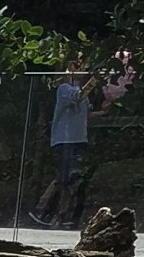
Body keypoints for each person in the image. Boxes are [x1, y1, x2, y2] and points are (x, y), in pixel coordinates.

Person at [32, 61, 108, 226]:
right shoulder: (64, 89)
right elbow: (78, 96)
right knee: (66, 176)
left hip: (79, 139)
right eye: (78, 67)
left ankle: (61, 215)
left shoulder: (79, 92)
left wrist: (103, 111)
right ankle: (42, 208)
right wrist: (94, 81)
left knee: (71, 179)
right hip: (64, 139)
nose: (83, 69)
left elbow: (85, 114)